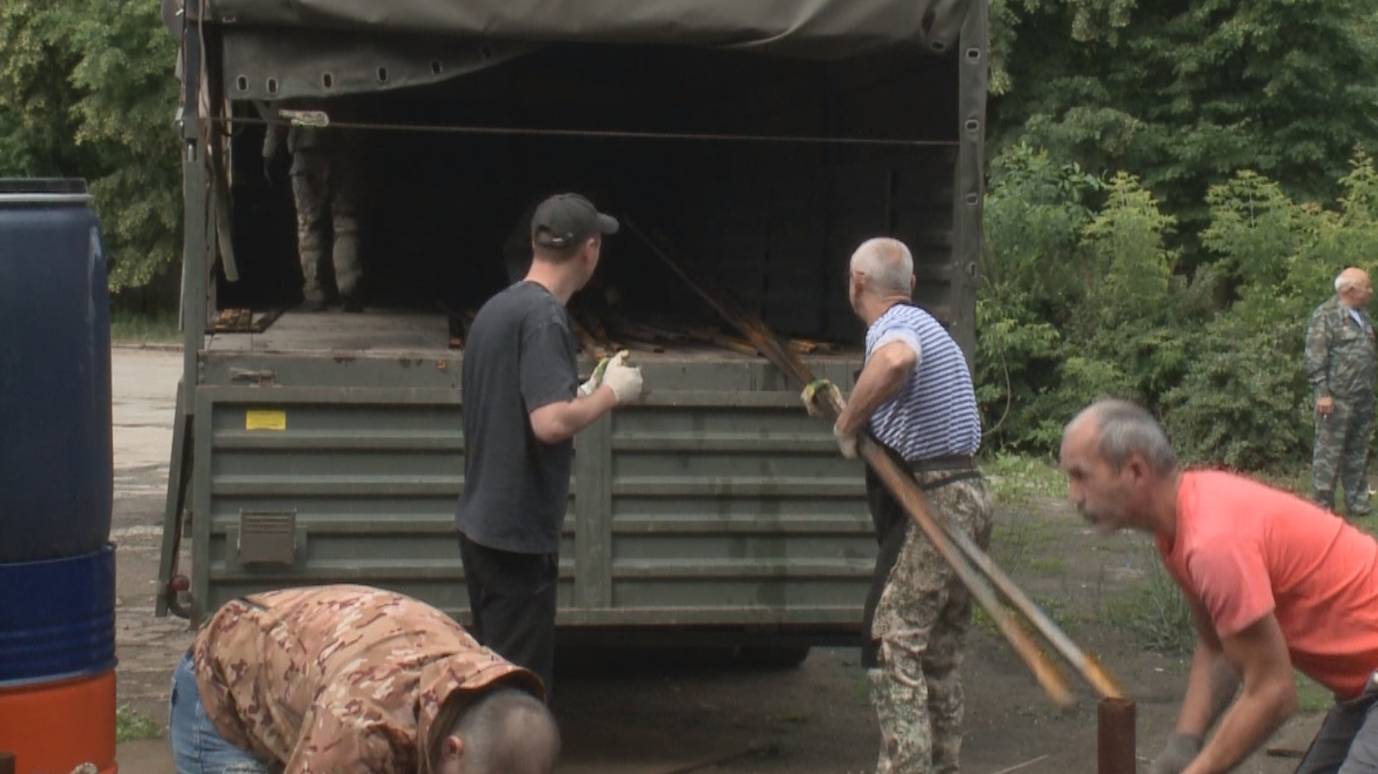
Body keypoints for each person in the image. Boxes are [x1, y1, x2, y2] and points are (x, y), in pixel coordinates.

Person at [1060, 399, 1378, 773]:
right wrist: (1184, 744)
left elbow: (1272, 693)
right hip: (1363, 689)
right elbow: (1217, 647)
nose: (1073, 496)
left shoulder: (1213, 542)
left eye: (1081, 476)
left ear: (1134, 470)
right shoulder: (1180, 526)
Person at [803, 238, 990, 773]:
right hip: (971, 493)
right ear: (912, 283)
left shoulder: (895, 326)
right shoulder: (936, 330)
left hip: (933, 501)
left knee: (891, 642)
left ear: (857, 283)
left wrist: (847, 423)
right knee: (938, 655)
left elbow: (896, 360)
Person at [456, 192, 643, 697]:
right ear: (589, 250)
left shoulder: (498, 309)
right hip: (515, 537)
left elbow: (518, 402)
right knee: (518, 693)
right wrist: (610, 394)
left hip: (481, 526)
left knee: (491, 680)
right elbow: (550, 423)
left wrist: (579, 390)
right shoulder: (545, 319)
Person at [169, 584, 559, 774]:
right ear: (453, 749)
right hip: (221, 690)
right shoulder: (359, 727)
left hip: (313, 676)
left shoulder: (478, 681)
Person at [263, 104, 365, 312]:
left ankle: (315, 293)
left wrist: (269, 153)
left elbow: (277, 116)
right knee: (345, 223)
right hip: (342, 152)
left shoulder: (292, 83)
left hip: (306, 155)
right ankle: (349, 287)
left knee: (309, 226)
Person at [1305, 266, 1377, 518]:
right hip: (1336, 398)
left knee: (1358, 450)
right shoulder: (1326, 315)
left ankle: (1357, 501)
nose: (1370, 291)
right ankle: (1322, 506)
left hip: (1362, 397)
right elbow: (1315, 356)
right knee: (1329, 452)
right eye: (1366, 287)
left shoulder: (1363, 316)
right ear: (1350, 290)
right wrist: (1322, 392)